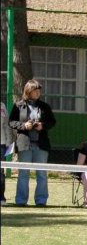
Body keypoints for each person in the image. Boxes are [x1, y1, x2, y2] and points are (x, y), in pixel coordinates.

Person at [9, 79, 56, 207]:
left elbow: (52, 122)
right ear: (28, 91)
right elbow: (12, 122)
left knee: (41, 173)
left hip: (41, 145)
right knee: (23, 173)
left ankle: (41, 201)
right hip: (24, 144)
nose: (38, 92)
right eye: (35, 90)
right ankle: (21, 201)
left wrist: (42, 125)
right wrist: (24, 125)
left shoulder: (44, 106)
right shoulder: (18, 105)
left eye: (39, 90)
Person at [1, 101, 12, 206]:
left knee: (0, 173)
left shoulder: (2, 105)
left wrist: (8, 141)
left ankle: (1, 198)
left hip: (1, 143)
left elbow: (6, 125)